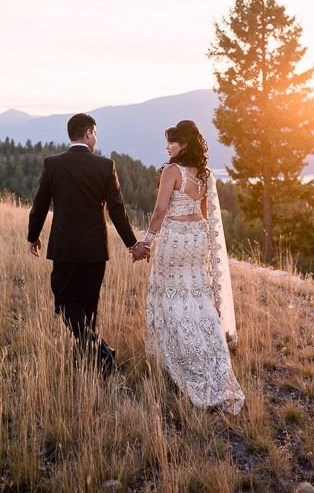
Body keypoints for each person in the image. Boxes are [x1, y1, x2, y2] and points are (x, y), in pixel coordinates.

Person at [27, 113, 148, 377]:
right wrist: (132, 244)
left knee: (64, 302)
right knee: (87, 305)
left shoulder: (53, 164)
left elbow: (39, 206)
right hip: (95, 250)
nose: (96, 138)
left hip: (65, 248)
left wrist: (32, 236)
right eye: (96, 133)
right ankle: (99, 356)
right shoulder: (105, 166)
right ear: (89, 133)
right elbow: (117, 211)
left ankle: (99, 356)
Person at [142, 120, 245, 414]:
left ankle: (179, 356)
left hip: (175, 237)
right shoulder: (205, 174)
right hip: (197, 237)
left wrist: (146, 242)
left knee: (169, 293)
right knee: (197, 295)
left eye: (172, 141)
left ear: (184, 143)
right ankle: (211, 355)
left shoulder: (171, 171)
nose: (168, 147)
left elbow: (161, 210)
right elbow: (203, 214)